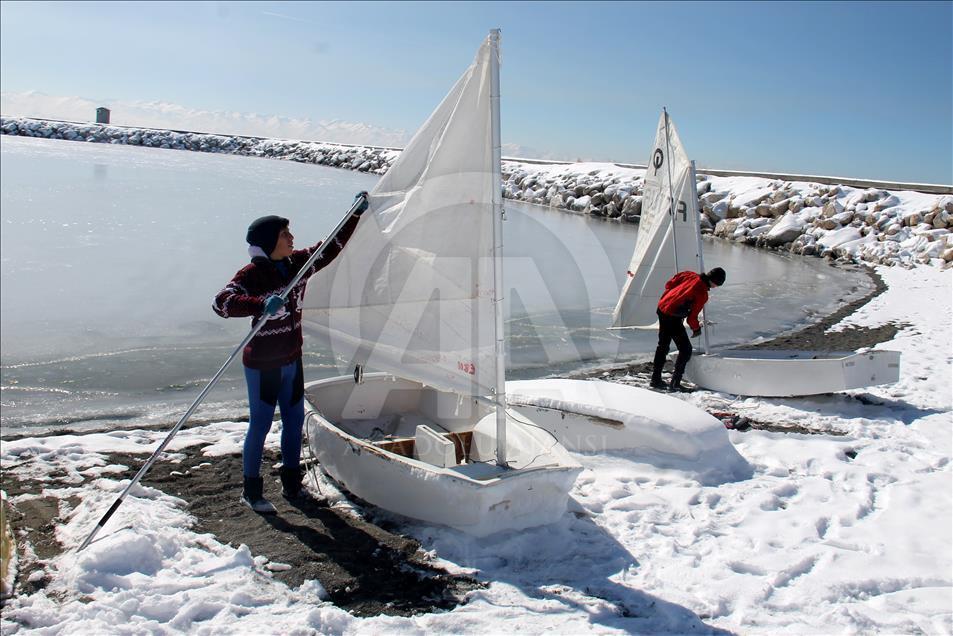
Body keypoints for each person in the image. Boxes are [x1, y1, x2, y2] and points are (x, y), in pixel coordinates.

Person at [213, 192, 367, 513]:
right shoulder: (252, 275)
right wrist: (259, 305)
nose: (292, 238)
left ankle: (292, 484)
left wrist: (354, 215)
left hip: (291, 358)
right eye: (285, 235)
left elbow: (330, 249)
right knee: (261, 424)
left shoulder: (296, 264)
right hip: (263, 365)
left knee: (295, 419)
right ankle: (252, 491)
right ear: (269, 242)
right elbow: (222, 303)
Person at [650, 267, 726, 392]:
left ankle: (655, 380)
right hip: (672, 316)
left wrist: (676, 297)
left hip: (662, 307)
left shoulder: (689, 274)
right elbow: (692, 318)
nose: (715, 287)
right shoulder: (702, 293)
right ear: (713, 281)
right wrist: (696, 329)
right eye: (717, 285)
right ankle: (675, 383)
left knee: (663, 345)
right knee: (686, 350)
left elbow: (669, 284)